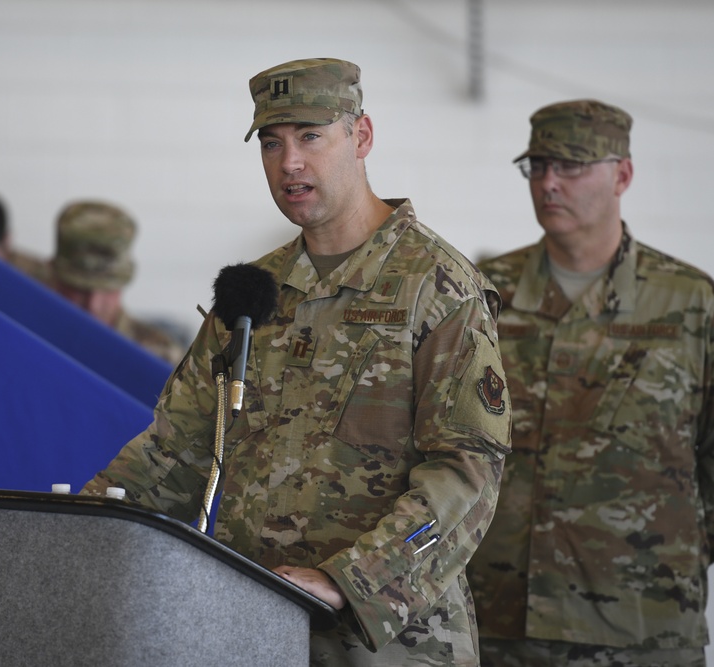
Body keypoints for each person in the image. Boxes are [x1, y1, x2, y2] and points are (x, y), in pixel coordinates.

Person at [81, 57, 512, 666]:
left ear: (360, 137)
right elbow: (176, 448)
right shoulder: (253, 292)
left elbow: (467, 474)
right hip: (254, 628)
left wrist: (350, 580)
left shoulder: (437, 288)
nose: (290, 164)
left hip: (389, 642)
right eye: (272, 142)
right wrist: (82, 524)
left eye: (311, 136)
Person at [467, 100, 714, 667]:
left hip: (642, 621)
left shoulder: (689, 301)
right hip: (500, 618)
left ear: (622, 175)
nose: (550, 184)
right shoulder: (481, 294)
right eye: (538, 167)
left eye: (572, 167)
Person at [45, 200, 186, 364]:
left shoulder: (162, 356)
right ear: (53, 274)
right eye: (80, 289)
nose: (93, 304)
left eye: (107, 290)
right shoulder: (30, 331)